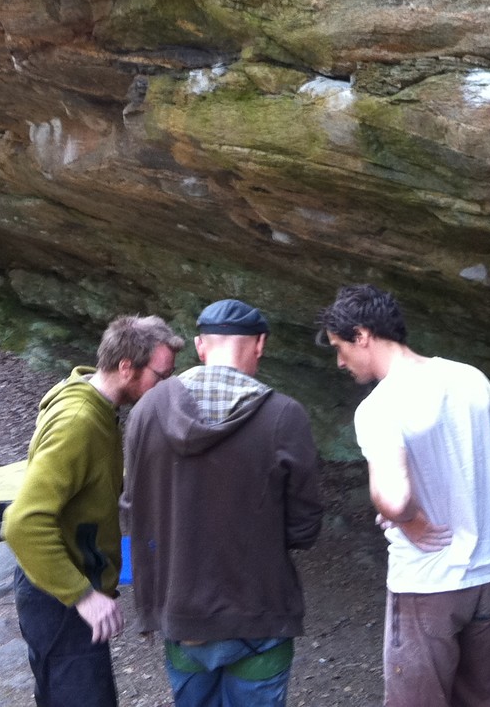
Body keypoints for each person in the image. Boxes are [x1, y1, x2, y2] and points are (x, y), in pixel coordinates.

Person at [316, 284, 490, 707]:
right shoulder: (470, 378)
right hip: (485, 574)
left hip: (427, 581)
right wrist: (449, 498)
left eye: (339, 347)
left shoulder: (380, 407)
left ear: (362, 335)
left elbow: (394, 500)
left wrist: (406, 517)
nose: (339, 361)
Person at [123, 298, 324, 707]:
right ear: (260, 344)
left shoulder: (147, 410)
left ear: (200, 346)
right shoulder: (285, 416)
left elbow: (132, 510)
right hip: (260, 613)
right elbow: (305, 526)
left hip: (181, 614)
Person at [3, 314, 184, 707]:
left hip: (64, 583)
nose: (166, 386)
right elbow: (22, 523)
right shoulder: (79, 422)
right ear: (126, 367)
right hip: (58, 596)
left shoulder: (95, 403)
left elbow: (87, 481)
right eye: (161, 375)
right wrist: (84, 597)